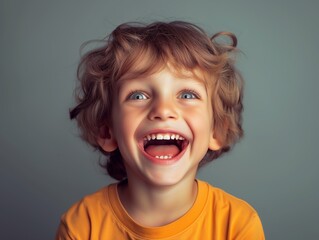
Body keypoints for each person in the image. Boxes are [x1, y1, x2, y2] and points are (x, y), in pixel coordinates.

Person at [56, 21, 265, 239]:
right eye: (138, 96)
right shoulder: (82, 226)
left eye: (187, 95)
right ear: (107, 131)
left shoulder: (237, 224)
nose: (163, 110)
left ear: (217, 131)